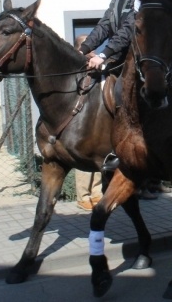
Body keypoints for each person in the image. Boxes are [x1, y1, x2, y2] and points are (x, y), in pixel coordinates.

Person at [78, 0, 140, 171]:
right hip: (117, 57)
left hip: (134, 59)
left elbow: (128, 30)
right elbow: (104, 26)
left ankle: (131, 144)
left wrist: (103, 54)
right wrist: (84, 49)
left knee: (121, 92)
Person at [73, 34, 103, 211]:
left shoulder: (97, 62)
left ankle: (97, 193)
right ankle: (83, 197)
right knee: (84, 156)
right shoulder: (76, 65)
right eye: (87, 46)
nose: (92, 49)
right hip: (82, 118)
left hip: (97, 115)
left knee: (97, 155)